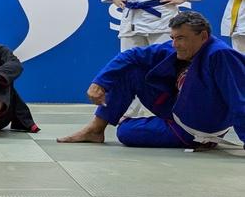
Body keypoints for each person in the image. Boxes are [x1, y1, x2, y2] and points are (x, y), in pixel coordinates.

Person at [58, 12, 245, 148]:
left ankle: (128, 122)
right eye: (173, 38)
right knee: (131, 70)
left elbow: (240, 100)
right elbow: (132, 55)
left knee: (125, 132)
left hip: (195, 129)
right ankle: (95, 129)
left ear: (203, 36)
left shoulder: (221, 56)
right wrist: (99, 82)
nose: (175, 44)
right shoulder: (176, 49)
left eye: (181, 38)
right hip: (179, 109)